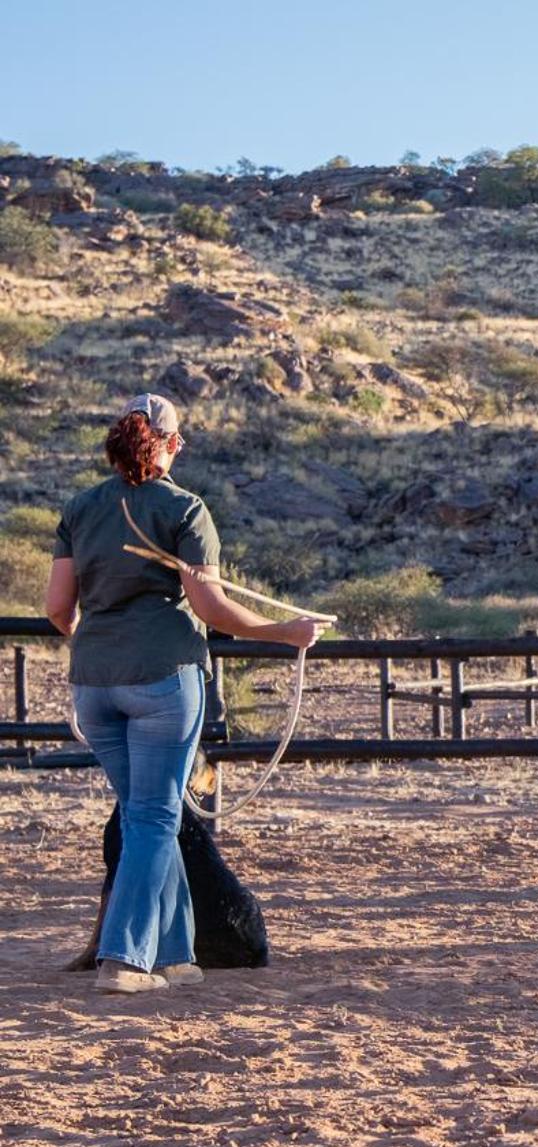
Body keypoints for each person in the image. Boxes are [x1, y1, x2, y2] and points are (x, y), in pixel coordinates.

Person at [44, 394, 326, 994]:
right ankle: (124, 960)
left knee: (148, 814)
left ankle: (174, 955)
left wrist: (100, 644)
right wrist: (286, 632)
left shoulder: (79, 508)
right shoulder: (185, 509)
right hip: (164, 679)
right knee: (154, 817)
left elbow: (57, 609)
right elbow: (211, 608)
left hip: (94, 686)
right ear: (171, 444)